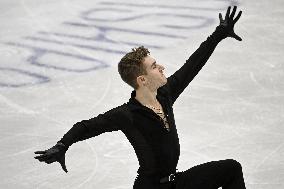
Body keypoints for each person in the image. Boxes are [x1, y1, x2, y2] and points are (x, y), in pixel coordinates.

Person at [34, 6, 246, 189]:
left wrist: (218, 34)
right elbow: (87, 126)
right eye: (154, 66)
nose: (161, 67)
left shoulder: (165, 94)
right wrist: (63, 145)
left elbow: (193, 64)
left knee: (231, 169)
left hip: (176, 183)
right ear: (142, 80)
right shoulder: (128, 115)